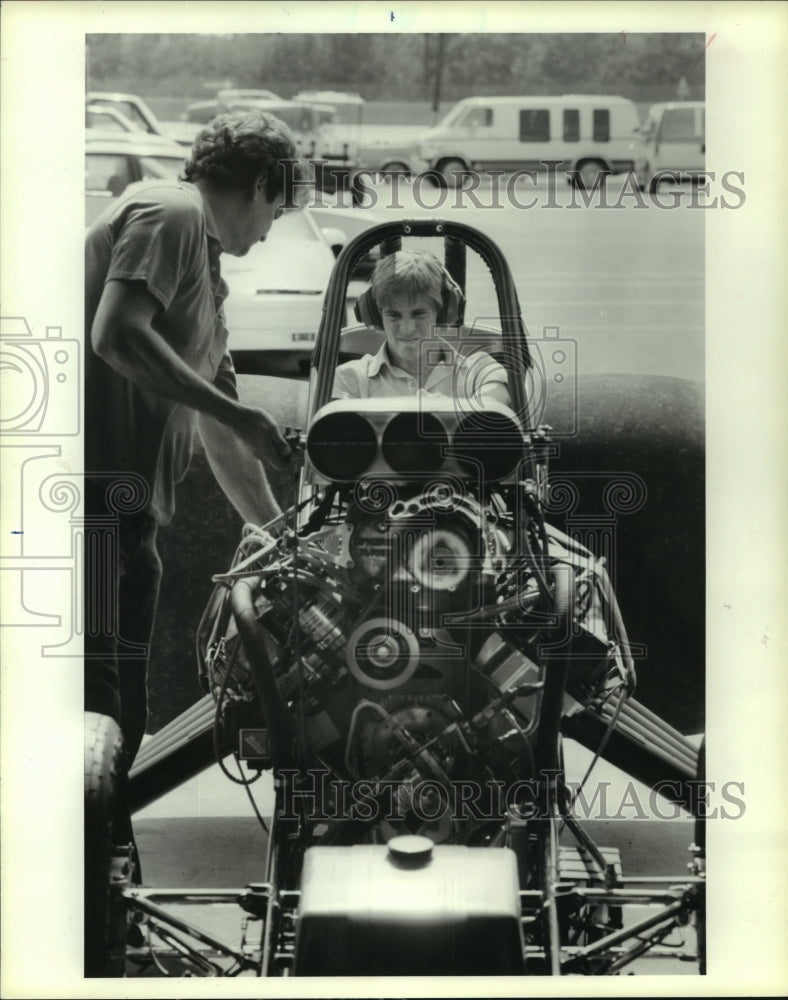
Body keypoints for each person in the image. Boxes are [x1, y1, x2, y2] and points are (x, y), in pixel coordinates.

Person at [84, 108, 301, 778]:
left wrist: (282, 540)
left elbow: (225, 426)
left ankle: (108, 862)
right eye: (278, 210)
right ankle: (85, 870)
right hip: (84, 506)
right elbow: (116, 333)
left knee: (122, 716)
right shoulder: (172, 210)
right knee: (93, 712)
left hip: (131, 519)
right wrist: (236, 418)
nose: (268, 233)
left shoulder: (208, 280)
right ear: (263, 182)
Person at [333, 249, 511, 405]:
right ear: (376, 315)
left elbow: (492, 412)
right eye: (393, 315)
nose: (407, 329)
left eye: (419, 313)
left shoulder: (481, 373)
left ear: (442, 313)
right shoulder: (349, 378)